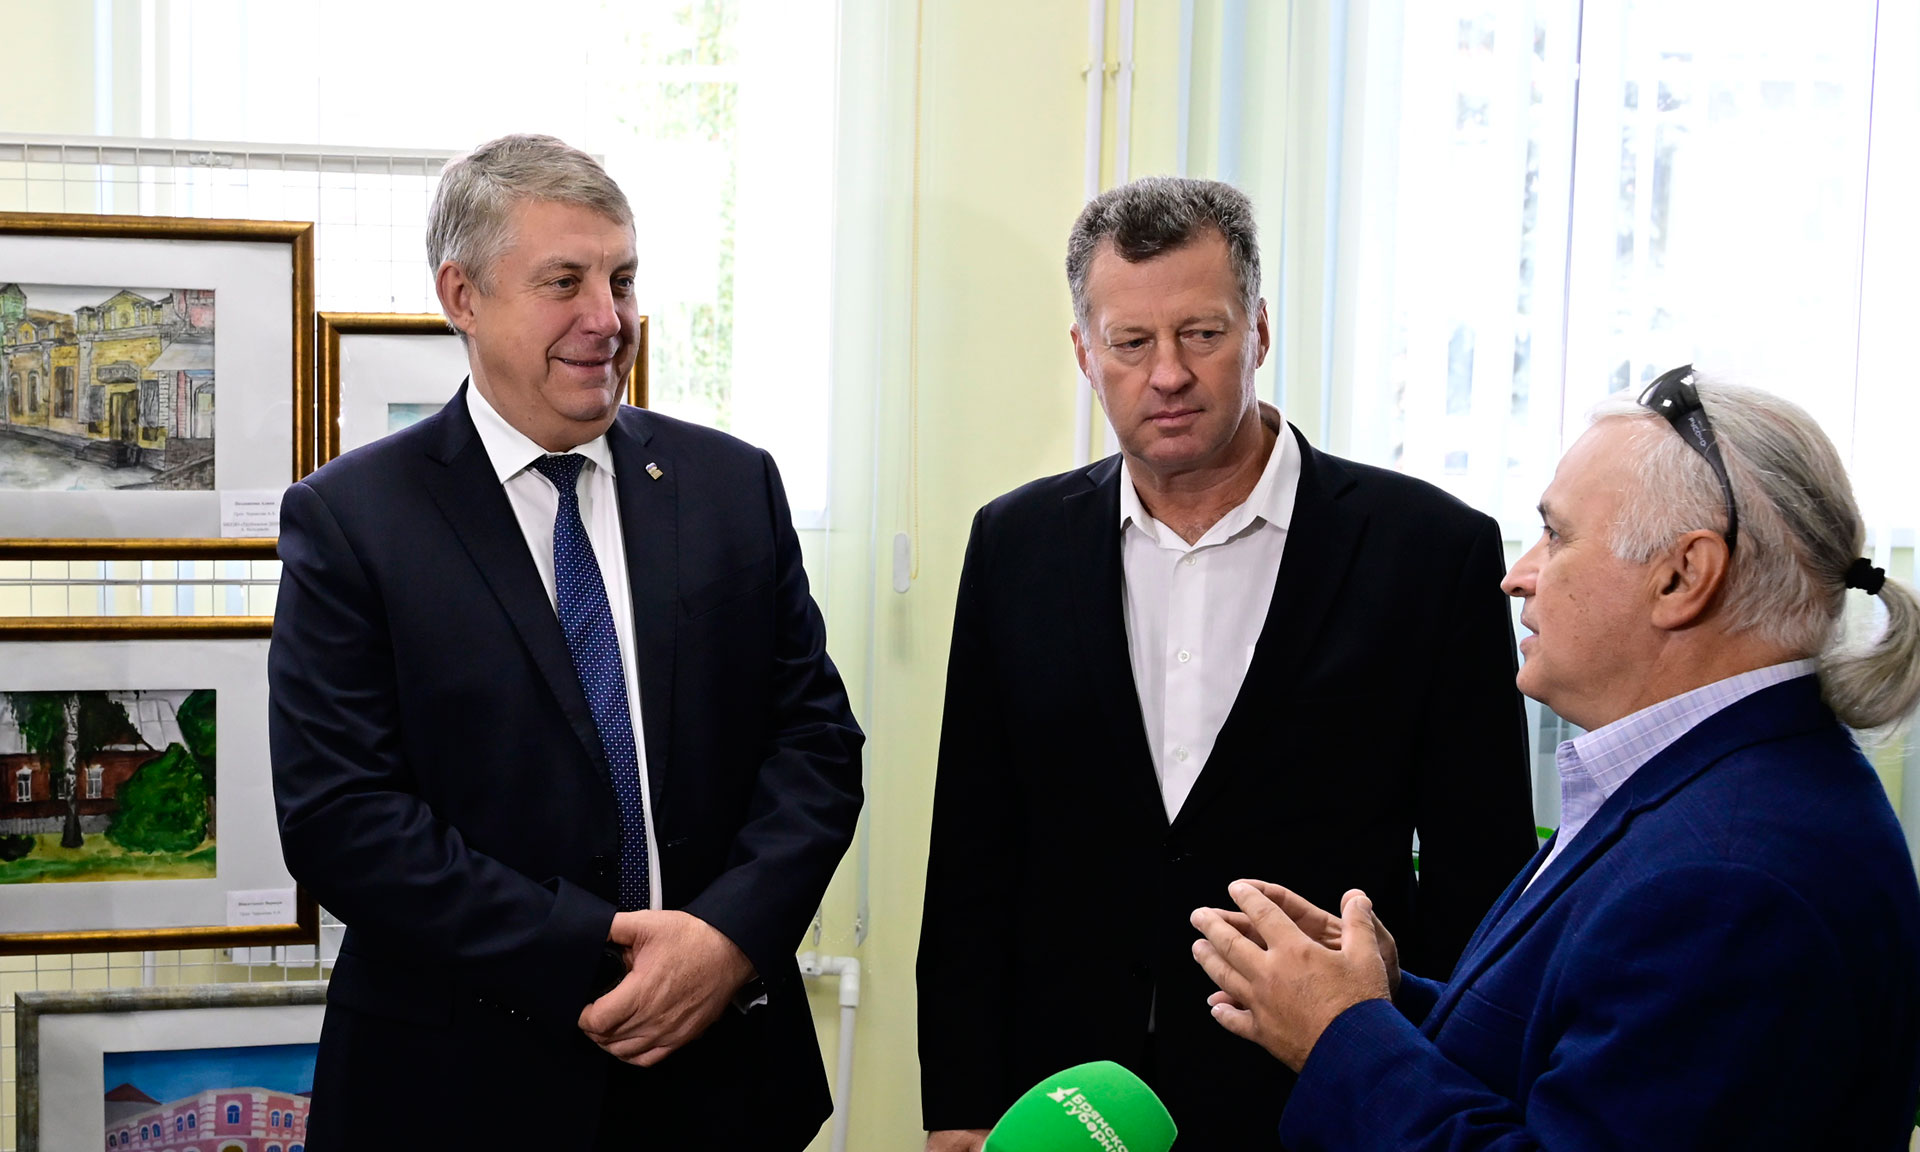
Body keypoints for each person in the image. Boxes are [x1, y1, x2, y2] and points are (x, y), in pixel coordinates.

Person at [917, 176, 1539, 1151]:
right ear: (1085, 353)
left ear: (1259, 331)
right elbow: (973, 851)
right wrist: (959, 1105)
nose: (1167, 374)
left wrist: (1438, 1090)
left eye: (1201, 333)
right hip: (1069, 1098)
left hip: (1319, 1093)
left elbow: (1480, 873)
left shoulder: (1429, 552)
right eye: (1131, 342)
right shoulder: (1014, 544)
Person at [269, 134, 864, 1150]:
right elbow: (341, 818)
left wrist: (726, 939)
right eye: (564, 282)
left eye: (621, 279)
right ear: (461, 295)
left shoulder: (732, 488)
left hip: (718, 1082)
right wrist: (593, 946)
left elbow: (814, 746)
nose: (608, 318)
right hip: (460, 1092)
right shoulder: (352, 521)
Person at [1192, 370, 1920, 1150]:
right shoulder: (1712, 792)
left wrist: (1340, 1035)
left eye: (1558, 535)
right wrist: (1377, 1001)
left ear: (1683, 576)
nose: (1518, 576)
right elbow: (1576, 1048)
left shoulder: (1730, 884)